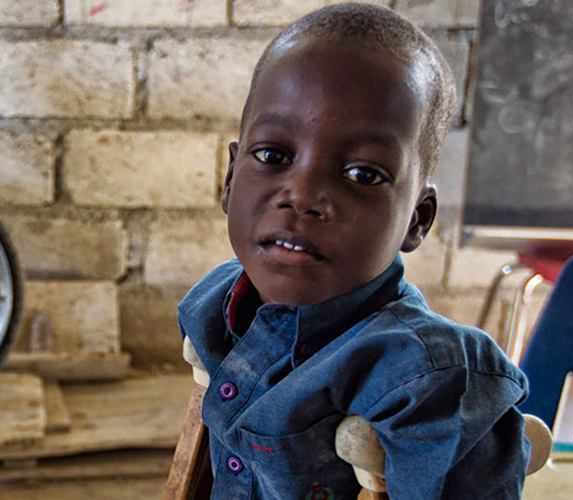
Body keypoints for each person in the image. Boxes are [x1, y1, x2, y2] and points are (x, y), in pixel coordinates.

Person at [177, 3, 531, 499]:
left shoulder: (433, 380)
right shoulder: (215, 304)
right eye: (273, 156)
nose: (301, 195)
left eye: (362, 174)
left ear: (416, 220)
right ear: (231, 177)